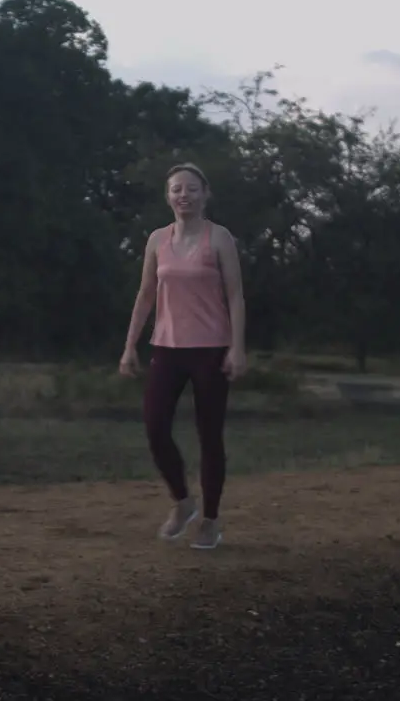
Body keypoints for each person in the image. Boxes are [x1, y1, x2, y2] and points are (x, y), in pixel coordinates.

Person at [119, 162, 247, 549]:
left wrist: (238, 347)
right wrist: (129, 346)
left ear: (205, 194)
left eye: (191, 188)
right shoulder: (158, 239)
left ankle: (209, 519)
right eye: (176, 189)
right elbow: (145, 294)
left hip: (211, 348)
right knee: (155, 427)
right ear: (168, 195)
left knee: (209, 436)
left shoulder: (219, 238)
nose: (183, 195)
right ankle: (182, 501)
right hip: (166, 346)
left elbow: (236, 295)